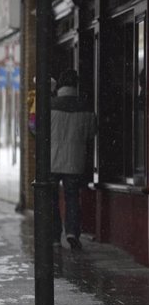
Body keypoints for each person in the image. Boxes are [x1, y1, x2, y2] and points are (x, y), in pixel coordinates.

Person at [50, 69, 97, 250]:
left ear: (60, 85)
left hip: (53, 161)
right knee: (72, 197)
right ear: (76, 85)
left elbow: (38, 131)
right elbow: (91, 133)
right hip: (75, 161)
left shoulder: (50, 105)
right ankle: (72, 232)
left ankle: (54, 236)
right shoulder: (86, 107)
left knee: (52, 199)